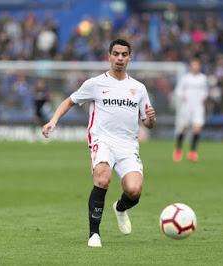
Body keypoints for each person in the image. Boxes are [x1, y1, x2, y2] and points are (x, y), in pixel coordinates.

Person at [42, 39, 156, 247]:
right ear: (109, 56)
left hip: (128, 146)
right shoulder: (95, 83)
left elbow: (147, 123)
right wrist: (53, 120)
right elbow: (70, 101)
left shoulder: (138, 88)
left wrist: (151, 118)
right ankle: (94, 234)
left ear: (130, 57)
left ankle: (120, 208)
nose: (120, 58)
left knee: (134, 191)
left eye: (124, 54)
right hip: (102, 140)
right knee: (102, 179)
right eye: (116, 54)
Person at [173, 58, 208, 162]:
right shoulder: (185, 78)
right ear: (191, 66)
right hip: (186, 107)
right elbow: (178, 91)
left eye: (197, 65)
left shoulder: (203, 78)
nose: (195, 67)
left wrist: (203, 98)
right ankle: (178, 150)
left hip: (198, 107)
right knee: (184, 129)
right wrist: (183, 96)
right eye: (193, 65)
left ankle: (192, 152)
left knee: (197, 128)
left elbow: (205, 91)